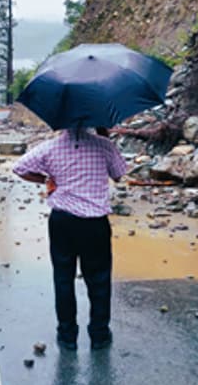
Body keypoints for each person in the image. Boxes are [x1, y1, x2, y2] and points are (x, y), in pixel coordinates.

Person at [12, 126, 128, 350]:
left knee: (63, 278)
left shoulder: (51, 147)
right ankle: (99, 334)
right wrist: (105, 135)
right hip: (95, 223)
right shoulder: (103, 145)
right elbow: (119, 175)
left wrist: (46, 179)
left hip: (62, 221)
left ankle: (67, 336)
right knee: (99, 279)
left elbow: (19, 168)